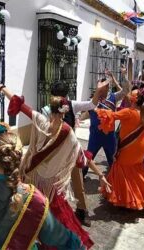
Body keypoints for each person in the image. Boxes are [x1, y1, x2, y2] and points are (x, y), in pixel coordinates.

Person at [0, 85, 112, 249]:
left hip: (41, 184)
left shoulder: (58, 129)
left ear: (57, 112)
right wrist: (3, 89)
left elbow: (82, 157)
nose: (53, 117)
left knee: (39, 219)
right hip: (39, 183)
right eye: (53, 113)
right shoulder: (54, 127)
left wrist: (3, 89)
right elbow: (84, 158)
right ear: (58, 112)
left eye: (54, 113)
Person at [41, 81, 102, 227]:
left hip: (70, 150)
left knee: (77, 181)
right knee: (55, 183)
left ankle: (81, 211)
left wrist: (98, 91)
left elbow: (91, 105)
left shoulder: (72, 105)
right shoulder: (46, 110)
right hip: (55, 151)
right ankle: (51, 212)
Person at [96, 90, 144, 211]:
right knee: (135, 171)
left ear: (132, 100)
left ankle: (125, 198)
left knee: (121, 168)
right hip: (142, 147)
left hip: (129, 147)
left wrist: (97, 110)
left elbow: (112, 115)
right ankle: (142, 195)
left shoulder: (128, 112)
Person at [83, 67, 130, 177]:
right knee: (88, 157)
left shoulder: (113, 97)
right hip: (95, 135)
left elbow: (125, 91)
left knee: (112, 159)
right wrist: (79, 119)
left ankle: (116, 178)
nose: (101, 88)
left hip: (109, 136)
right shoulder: (93, 99)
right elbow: (88, 113)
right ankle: (81, 175)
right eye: (100, 86)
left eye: (104, 86)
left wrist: (124, 76)